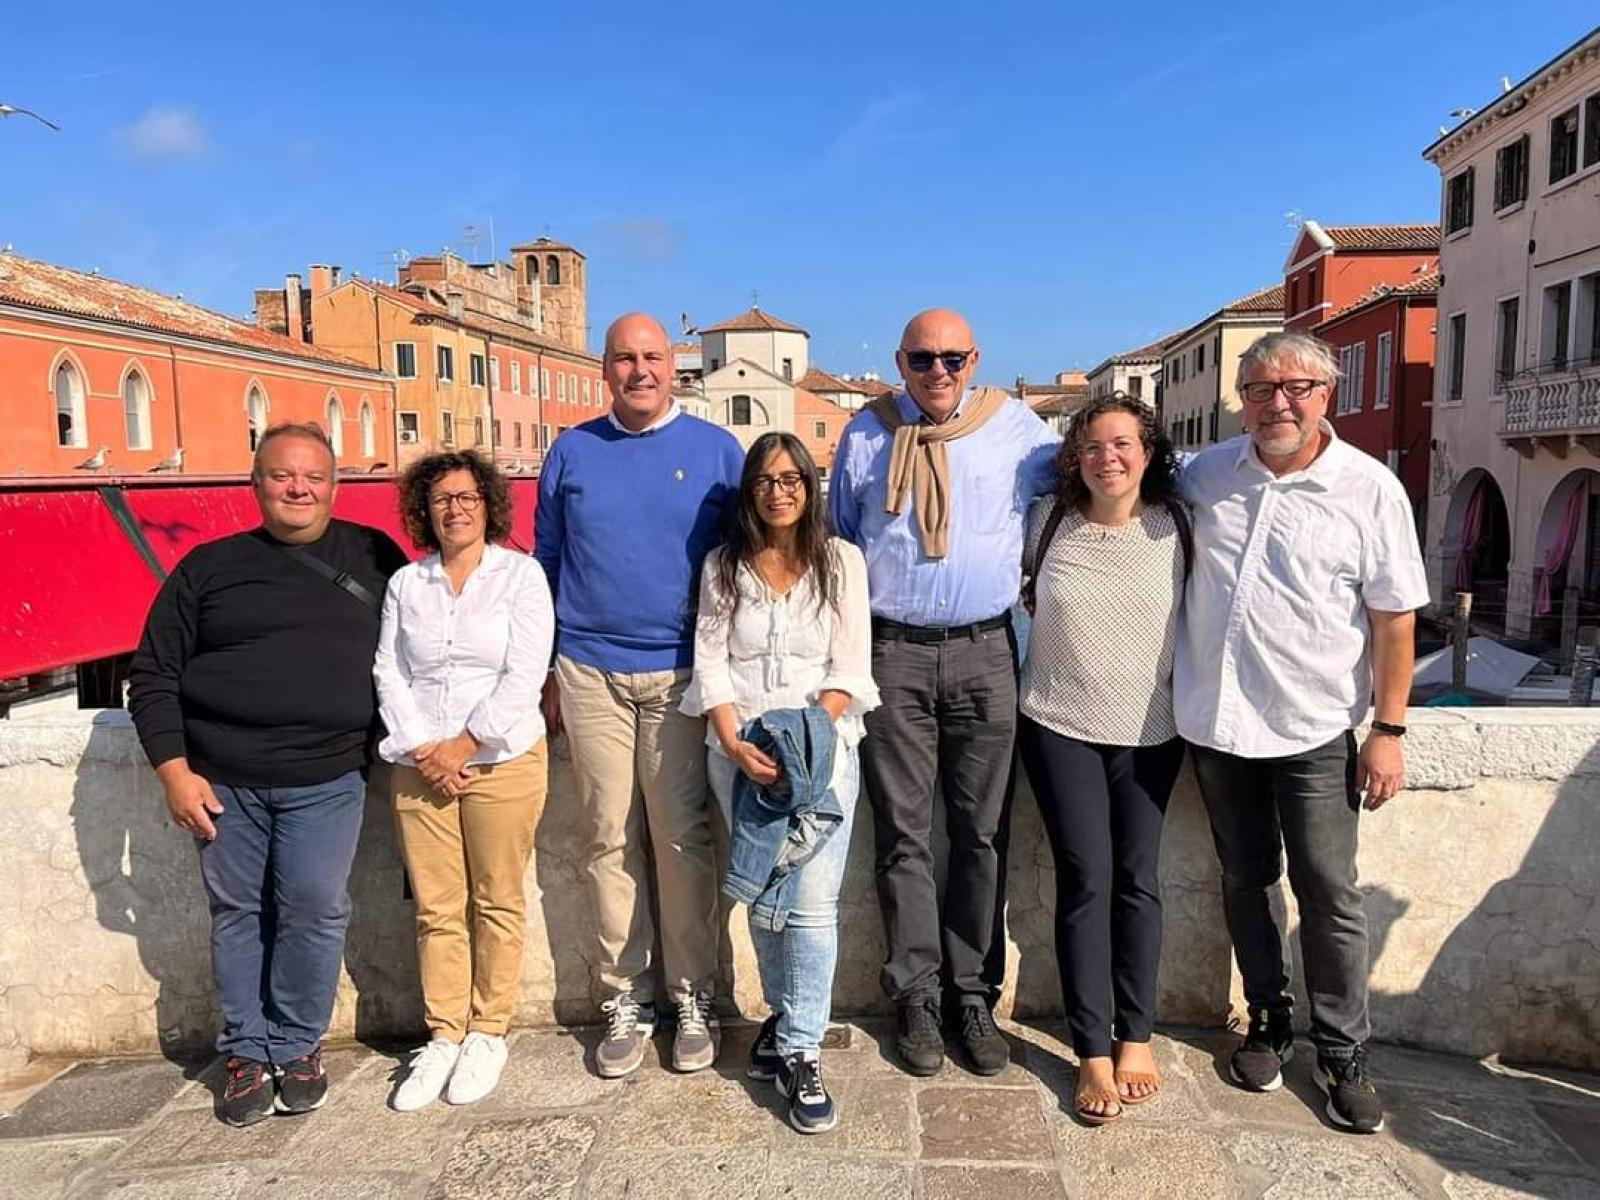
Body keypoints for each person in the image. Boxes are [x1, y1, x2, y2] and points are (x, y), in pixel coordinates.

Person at [1176, 331, 1428, 1135]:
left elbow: (1394, 622)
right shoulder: (1206, 475)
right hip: (1218, 724)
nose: (1276, 403)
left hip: (1316, 726)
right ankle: (1269, 1018)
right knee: (1245, 879)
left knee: (1329, 891)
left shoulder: (1370, 488)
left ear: (1328, 394)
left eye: (1295, 388)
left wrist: (1387, 729)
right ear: (1240, 400)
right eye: (1258, 390)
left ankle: (1344, 1051)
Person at [127, 422, 408, 1127]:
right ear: (255, 485)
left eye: (313, 476)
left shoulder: (374, 554)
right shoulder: (207, 568)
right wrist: (173, 770)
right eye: (282, 475)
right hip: (223, 779)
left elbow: (420, 644)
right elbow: (154, 674)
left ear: (335, 486)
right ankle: (247, 1052)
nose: (298, 488)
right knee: (239, 914)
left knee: (315, 907)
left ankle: (297, 1044)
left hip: (330, 773)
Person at [830, 307, 1057, 1076]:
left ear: (975, 359)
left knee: (981, 833)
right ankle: (916, 996)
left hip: (985, 652)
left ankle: (972, 994)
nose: (938, 373)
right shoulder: (865, 434)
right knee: (902, 834)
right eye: (922, 359)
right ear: (900, 362)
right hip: (892, 654)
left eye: (952, 359)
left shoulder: (1018, 430)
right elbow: (839, 546)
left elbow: (1094, 486)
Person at [535, 312, 746, 1078]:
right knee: (606, 836)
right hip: (588, 669)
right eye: (625, 359)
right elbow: (547, 563)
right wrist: (544, 673)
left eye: (653, 357)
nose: (640, 371)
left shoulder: (719, 452)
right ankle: (625, 996)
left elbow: (748, 561)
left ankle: (693, 993)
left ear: (675, 366)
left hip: (685, 673)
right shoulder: (572, 451)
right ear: (605, 369)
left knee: (683, 836)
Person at [683, 432, 877, 1134]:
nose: (779, 491)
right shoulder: (722, 565)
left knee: (814, 902)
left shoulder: (841, 562)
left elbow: (851, 667)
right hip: (739, 754)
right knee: (764, 895)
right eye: (765, 480)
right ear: (749, 491)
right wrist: (737, 741)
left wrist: (804, 739)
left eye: (792, 478)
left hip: (823, 754)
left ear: (810, 485)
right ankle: (783, 1023)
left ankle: (799, 1048)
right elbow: (709, 663)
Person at [1016, 395, 1189, 1125]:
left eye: (1122, 444)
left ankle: (1136, 1036)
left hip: (1153, 729)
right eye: (1092, 446)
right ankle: (1091, 1049)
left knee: (1138, 883)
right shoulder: (1044, 522)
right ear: (1073, 457)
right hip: (1058, 724)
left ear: (1149, 452)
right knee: (1087, 880)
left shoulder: (1180, 525)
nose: (1107, 458)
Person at [374, 451, 554, 1110]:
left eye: (467, 496)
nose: (455, 508)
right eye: (443, 498)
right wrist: (427, 748)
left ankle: (488, 1030)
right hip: (419, 765)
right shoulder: (406, 584)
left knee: (497, 899)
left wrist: (466, 744)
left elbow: (525, 671)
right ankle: (444, 1034)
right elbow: (389, 671)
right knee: (436, 908)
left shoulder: (521, 577)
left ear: (489, 506)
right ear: (425, 509)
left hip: (501, 759)